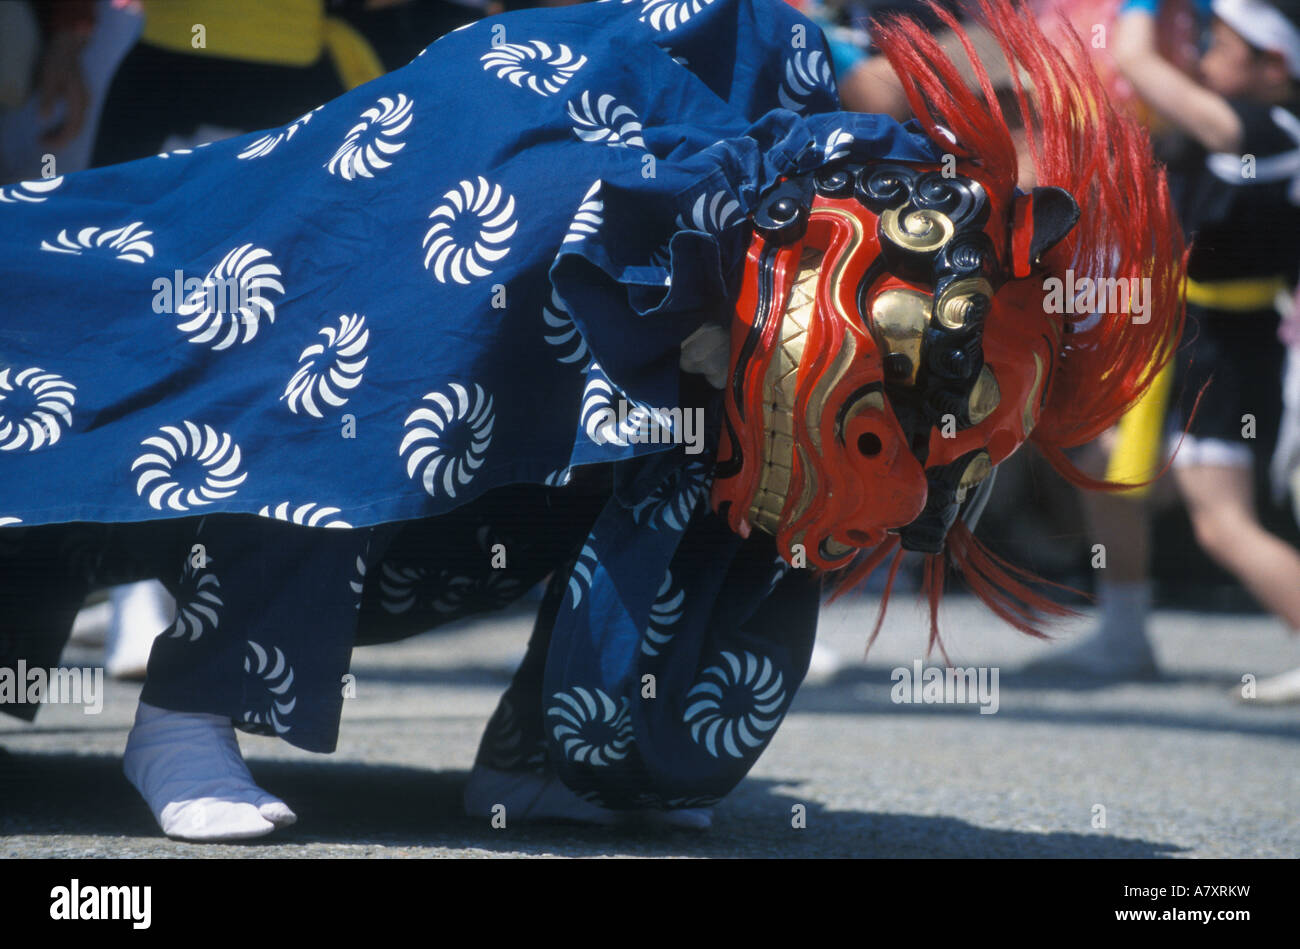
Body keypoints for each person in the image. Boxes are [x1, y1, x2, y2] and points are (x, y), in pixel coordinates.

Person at [0, 0, 1184, 840]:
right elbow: (474, 151)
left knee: (745, 454)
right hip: (370, 244)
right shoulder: (654, 73)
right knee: (385, 335)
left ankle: (565, 754)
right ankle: (189, 715)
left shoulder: (868, 194)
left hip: (694, 254)